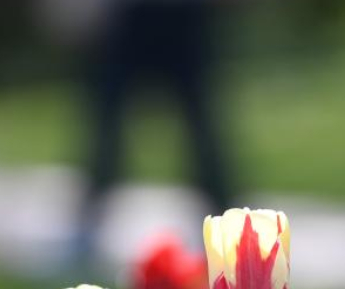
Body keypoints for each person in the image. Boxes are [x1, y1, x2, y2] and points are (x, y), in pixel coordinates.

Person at [74, 0, 234, 268]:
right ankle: (89, 215)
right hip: (127, 15)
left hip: (182, 14)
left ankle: (230, 224)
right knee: (106, 127)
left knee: (202, 129)